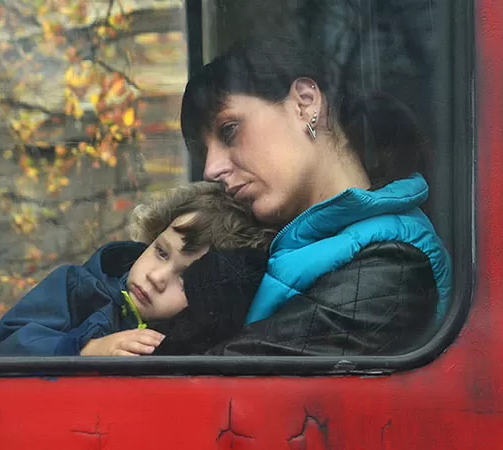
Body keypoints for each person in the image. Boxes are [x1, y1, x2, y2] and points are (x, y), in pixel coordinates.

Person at [179, 33, 453, 356]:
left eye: (229, 130)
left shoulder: (396, 265)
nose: (211, 170)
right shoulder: (280, 242)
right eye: (204, 153)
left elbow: (234, 373)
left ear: (304, 104)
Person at [0, 182, 274, 357]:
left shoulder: (194, 342)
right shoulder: (76, 288)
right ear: (152, 236)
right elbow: (2, 348)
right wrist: (85, 350)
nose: (156, 277)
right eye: (161, 252)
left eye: (185, 281)